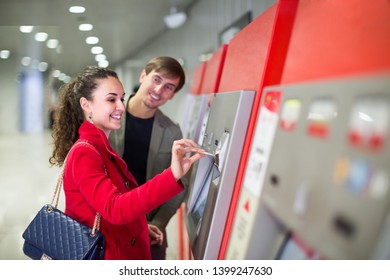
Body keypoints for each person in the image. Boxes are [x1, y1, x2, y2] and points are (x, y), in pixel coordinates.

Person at [49, 65, 203, 260]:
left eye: (121, 99)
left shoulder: (102, 147)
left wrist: (138, 226)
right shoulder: (85, 153)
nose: (121, 107)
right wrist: (171, 175)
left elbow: (107, 210)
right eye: (111, 99)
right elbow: (114, 208)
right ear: (86, 105)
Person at [109, 56, 187, 260]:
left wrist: (158, 223)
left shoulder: (172, 132)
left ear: (172, 95)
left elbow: (179, 186)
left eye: (169, 87)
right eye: (157, 79)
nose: (159, 90)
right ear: (143, 75)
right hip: (105, 225)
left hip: (147, 230)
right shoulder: (107, 117)